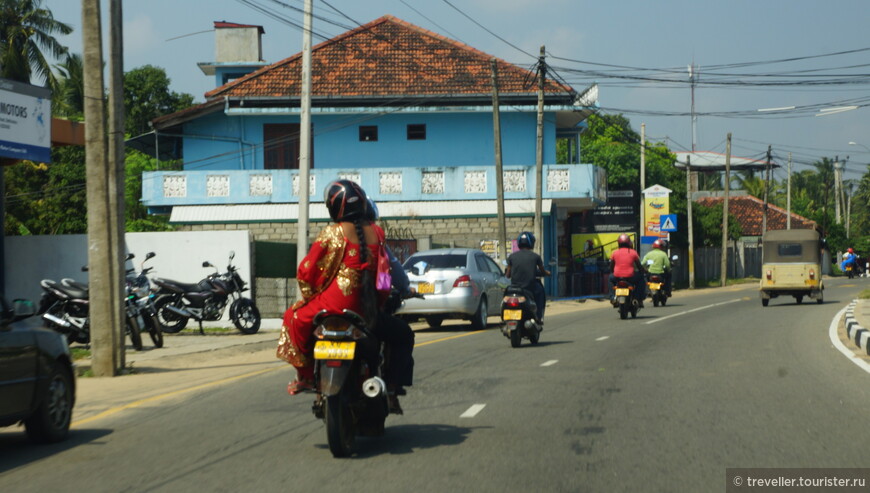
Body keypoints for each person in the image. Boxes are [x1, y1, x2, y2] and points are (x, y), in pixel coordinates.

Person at [276, 179, 383, 395]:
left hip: (334, 303)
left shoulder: (333, 232)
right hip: (367, 307)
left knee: (292, 317)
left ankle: (305, 376)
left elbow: (307, 270)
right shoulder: (378, 233)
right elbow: (384, 275)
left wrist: (309, 295)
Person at [365, 198, 415, 414]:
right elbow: (386, 275)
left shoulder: (331, 235)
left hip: (331, 310)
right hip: (366, 314)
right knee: (404, 335)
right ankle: (392, 387)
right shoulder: (374, 238)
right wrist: (401, 289)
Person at [505, 232, 550, 324]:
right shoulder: (535, 257)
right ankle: (538, 316)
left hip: (515, 288)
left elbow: (508, 275)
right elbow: (542, 271)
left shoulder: (511, 257)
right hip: (530, 287)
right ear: (531, 243)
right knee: (540, 292)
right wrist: (547, 273)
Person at [609, 233, 645, 307]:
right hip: (630, 277)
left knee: (610, 278)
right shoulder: (633, 252)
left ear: (618, 243)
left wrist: (613, 272)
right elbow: (639, 266)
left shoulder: (614, 253)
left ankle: (612, 297)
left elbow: (611, 266)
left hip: (617, 276)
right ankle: (637, 298)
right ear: (629, 243)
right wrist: (642, 272)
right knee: (641, 279)